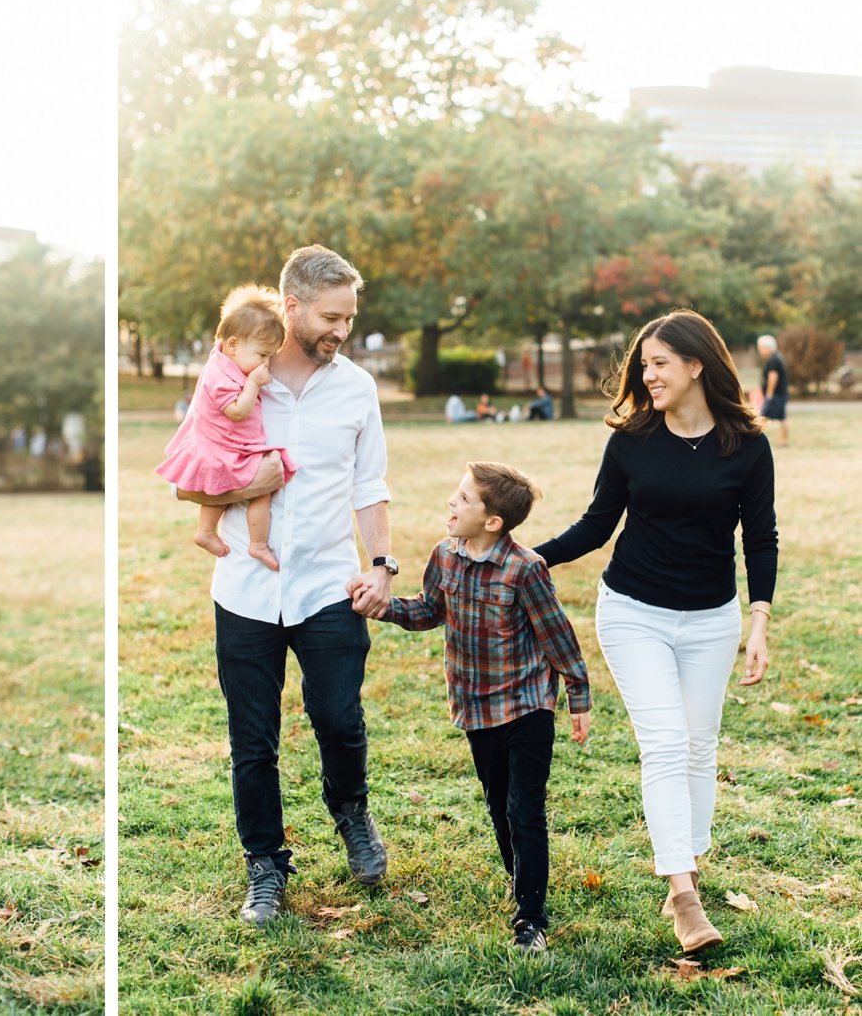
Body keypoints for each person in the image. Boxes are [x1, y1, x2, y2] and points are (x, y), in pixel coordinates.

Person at [534, 308, 776, 955]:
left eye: (660, 363)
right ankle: (684, 895)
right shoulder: (633, 440)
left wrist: (759, 620)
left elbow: (761, 537)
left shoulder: (746, 444)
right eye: (644, 365)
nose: (649, 374)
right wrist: (534, 555)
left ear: (697, 364)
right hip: (634, 611)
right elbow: (596, 524)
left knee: (700, 747)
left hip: (712, 619)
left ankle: (684, 859)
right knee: (667, 743)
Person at [176, 245, 394, 925]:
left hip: (329, 585)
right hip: (244, 587)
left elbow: (369, 485)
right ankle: (265, 867)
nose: (342, 331)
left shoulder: (357, 387)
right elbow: (188, 483)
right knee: (253, 740)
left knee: (338, 718)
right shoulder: (228, 382)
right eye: (332, 317)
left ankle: (351, 811)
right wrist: (250, 486)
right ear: (291, 307)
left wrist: (381, 565)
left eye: (350, 319)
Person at [374, 462, 590, 952]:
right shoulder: (444, 557)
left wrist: (577, 695)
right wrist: (383, 607)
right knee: (498, 802)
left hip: (527, 701)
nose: (452, 502)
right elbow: (431, 610)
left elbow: (556, 634)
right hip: (477, 704)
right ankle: (520, 877)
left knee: (524, 807)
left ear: (493, 521)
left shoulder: (525, 568)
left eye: (464, 498)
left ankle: (531, 917)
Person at [156, 284, 298, 570]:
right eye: (262, 355)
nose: (266, 363)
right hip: (220, 445)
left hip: (235, 444)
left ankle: (246, 541)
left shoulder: (230, 363)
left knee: (258, 487)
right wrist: (254, 383)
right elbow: (236, 411)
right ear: (232, 345)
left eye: (270, 356)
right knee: (234, 484)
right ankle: (215, 534)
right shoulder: (218, 374)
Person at [756, 334, 789, 447]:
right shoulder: (777, 357)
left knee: (762, 418)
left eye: (760, 348)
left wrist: (769, 395)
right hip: (780, 394)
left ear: (767, 347)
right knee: (781, 418)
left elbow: (773, 377)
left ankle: (756, 439)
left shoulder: (773, 360)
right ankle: (784, 441)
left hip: (774, 395)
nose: (759, 351)